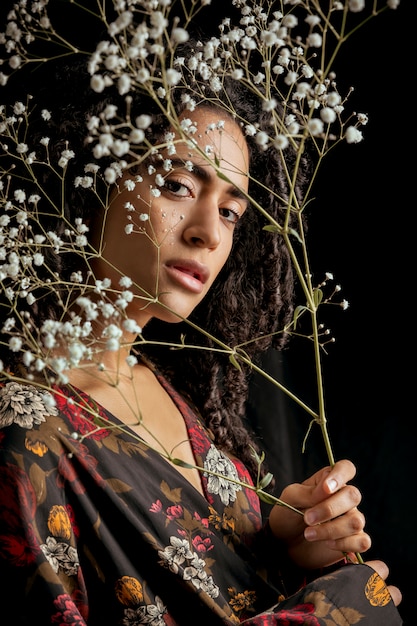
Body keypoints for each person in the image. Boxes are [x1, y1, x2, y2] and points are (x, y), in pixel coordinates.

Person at [0, 21, 402, 626]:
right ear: (89, 179)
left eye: (233, 212)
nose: (209, 233)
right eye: (177, 185)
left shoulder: (167, 388)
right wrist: (338, 612)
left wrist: (286, 544)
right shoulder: (25, 431)